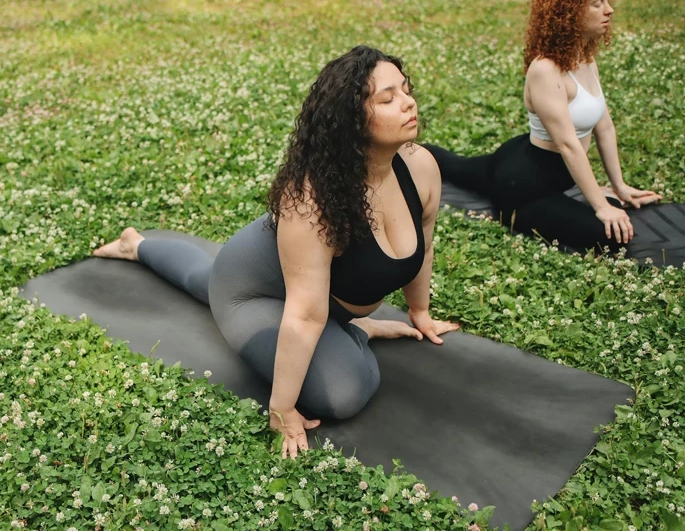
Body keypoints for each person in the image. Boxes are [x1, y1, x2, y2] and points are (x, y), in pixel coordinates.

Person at [94, 45, 458, 459]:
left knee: (203, 279)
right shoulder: (310, 199)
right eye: (387, 99)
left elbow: (423, 246)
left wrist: (420, 312)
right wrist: (282, 407)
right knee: (344, 391)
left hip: (316, 294)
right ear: (351, 121)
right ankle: (138, 246)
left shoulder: (420, 167)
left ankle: (135, 243)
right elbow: (304, 313)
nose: (408, 102)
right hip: (252, 290)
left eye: (406, 90)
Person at [426, 0, 661, 252]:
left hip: (533, 162)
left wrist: (619, 186)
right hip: (524, 183)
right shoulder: (545, 70)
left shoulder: (585, 59)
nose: (609, 10)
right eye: (597, 3)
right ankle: (406, 153)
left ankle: (424, 153)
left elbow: (604, 125)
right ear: (570, 13)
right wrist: (601, 206)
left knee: (460, 166)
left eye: (607, 1)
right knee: (610, 237)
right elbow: (568, 145)